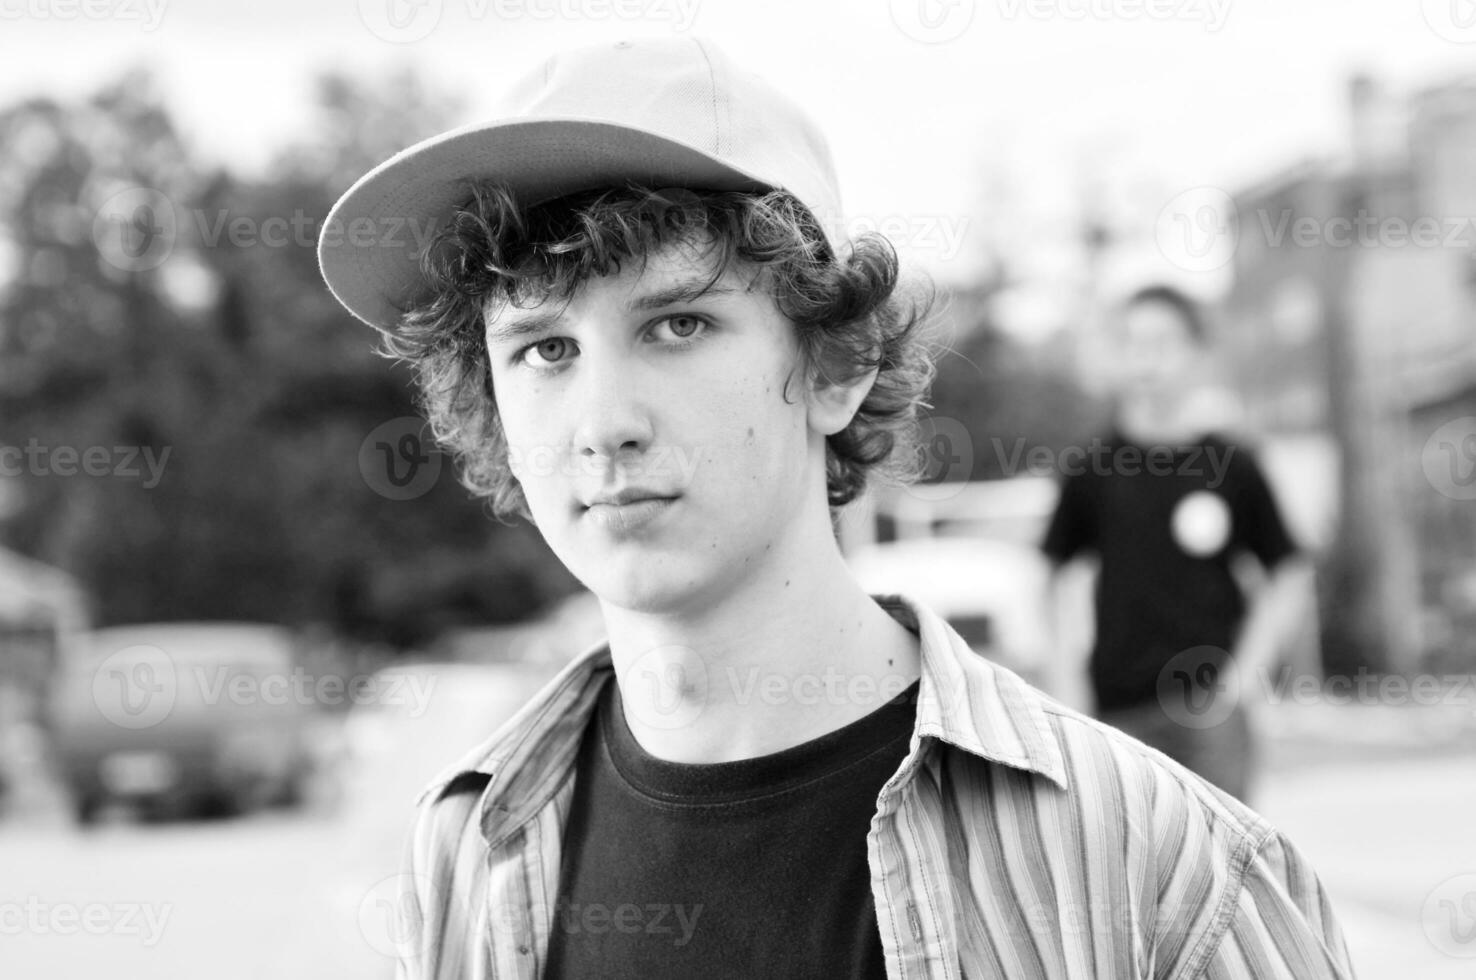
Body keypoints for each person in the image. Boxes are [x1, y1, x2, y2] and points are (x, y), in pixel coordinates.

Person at [319, 37, 1354, 979]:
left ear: (837, 363)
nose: (603, 423)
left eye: (677, 324)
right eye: (544, 348)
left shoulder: (1165, 874)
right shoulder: (471, 846)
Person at [1041, 284, 1314, 804]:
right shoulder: (1091, 468)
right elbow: (1052, 576)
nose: (1147, 361)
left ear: (1196, 354)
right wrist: (1066, 683)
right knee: (1134, 872)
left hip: (1211, 709)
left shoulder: (1231, 465)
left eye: (1162, 343)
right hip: (1117, 710)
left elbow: (1290, 570)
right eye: (1132, 344)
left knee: (1222, 873)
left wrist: (1246, 677)